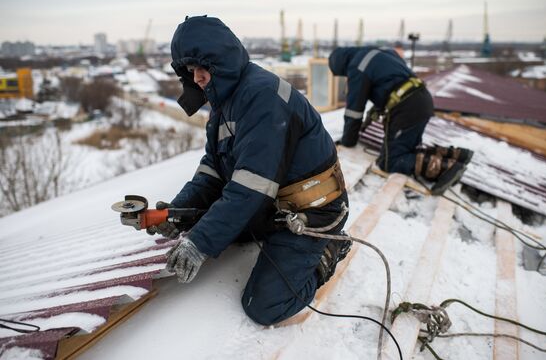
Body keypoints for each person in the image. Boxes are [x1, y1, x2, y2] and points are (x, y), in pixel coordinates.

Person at [151, 16, 351, 326]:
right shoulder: (225, 104)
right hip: (272, 206)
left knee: (264, 305)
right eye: (191, 72)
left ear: (224, 61)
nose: (198, 78)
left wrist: (200, 243)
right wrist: (178, 212)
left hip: (312, 211)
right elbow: (213, 171)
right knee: (212, 225)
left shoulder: (262, 98)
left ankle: (330, 250)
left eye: (203, 68)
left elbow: (250, 188)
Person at [328, 46, 473, 195]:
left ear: (341, 66)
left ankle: (447, 168)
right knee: (407, 150)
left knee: (389, 162)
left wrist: (348, 142)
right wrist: (377, 109)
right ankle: (457, 155)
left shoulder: (357, 67)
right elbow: (390, 81)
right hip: (422, 99)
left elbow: (354, 112)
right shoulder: (378, 53)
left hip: (407, 108)